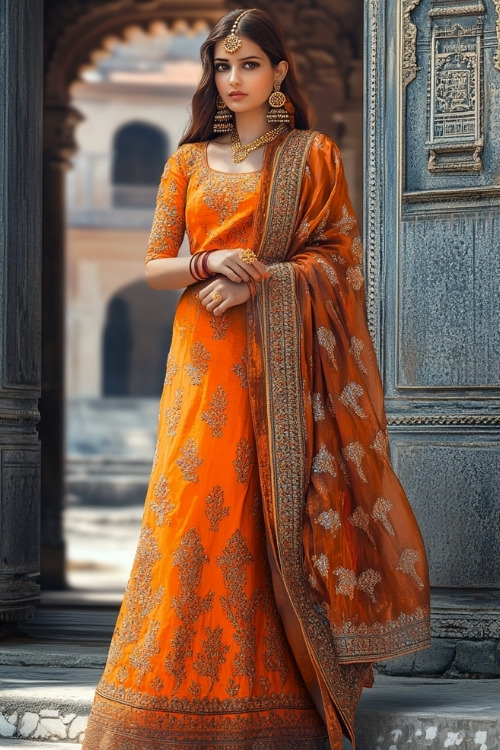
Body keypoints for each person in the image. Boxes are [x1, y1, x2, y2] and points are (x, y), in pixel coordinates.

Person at [82, 8, 430, 749]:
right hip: (202, 364)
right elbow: (153, 267)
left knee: (273, 507)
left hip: (282, 369)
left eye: (248, 66)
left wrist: (261, 283)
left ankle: (279, 691)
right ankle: (170, 691)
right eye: (222, 66)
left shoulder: (311, 156)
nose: (233, 80)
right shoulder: (185, 162)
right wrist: (209, 263)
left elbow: (338, 261)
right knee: (198, 510)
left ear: (279, 75)